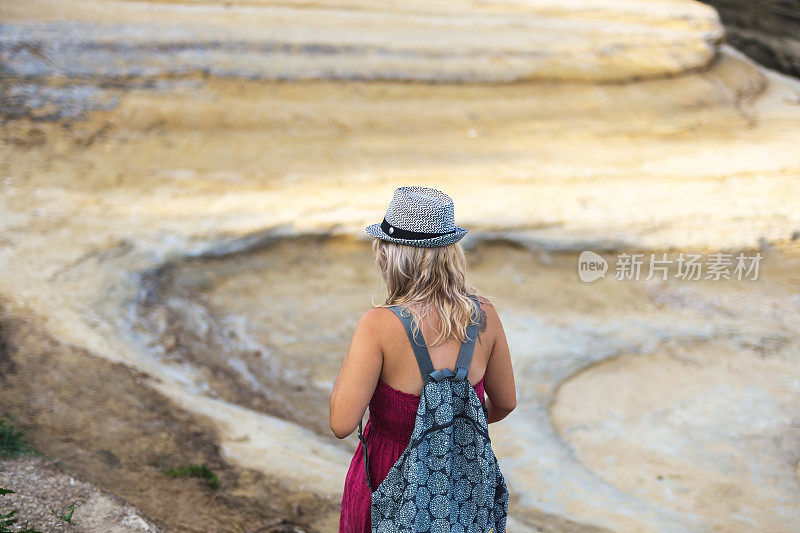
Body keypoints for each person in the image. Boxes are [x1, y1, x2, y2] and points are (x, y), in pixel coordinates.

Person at [329, 186, 517, 532]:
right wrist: (448, 429)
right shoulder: (484, 316)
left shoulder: (378, 325)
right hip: (457, 482)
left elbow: (341, 423)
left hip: (387, 475)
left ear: (389, 255)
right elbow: (505, 402)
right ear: (451, 253)